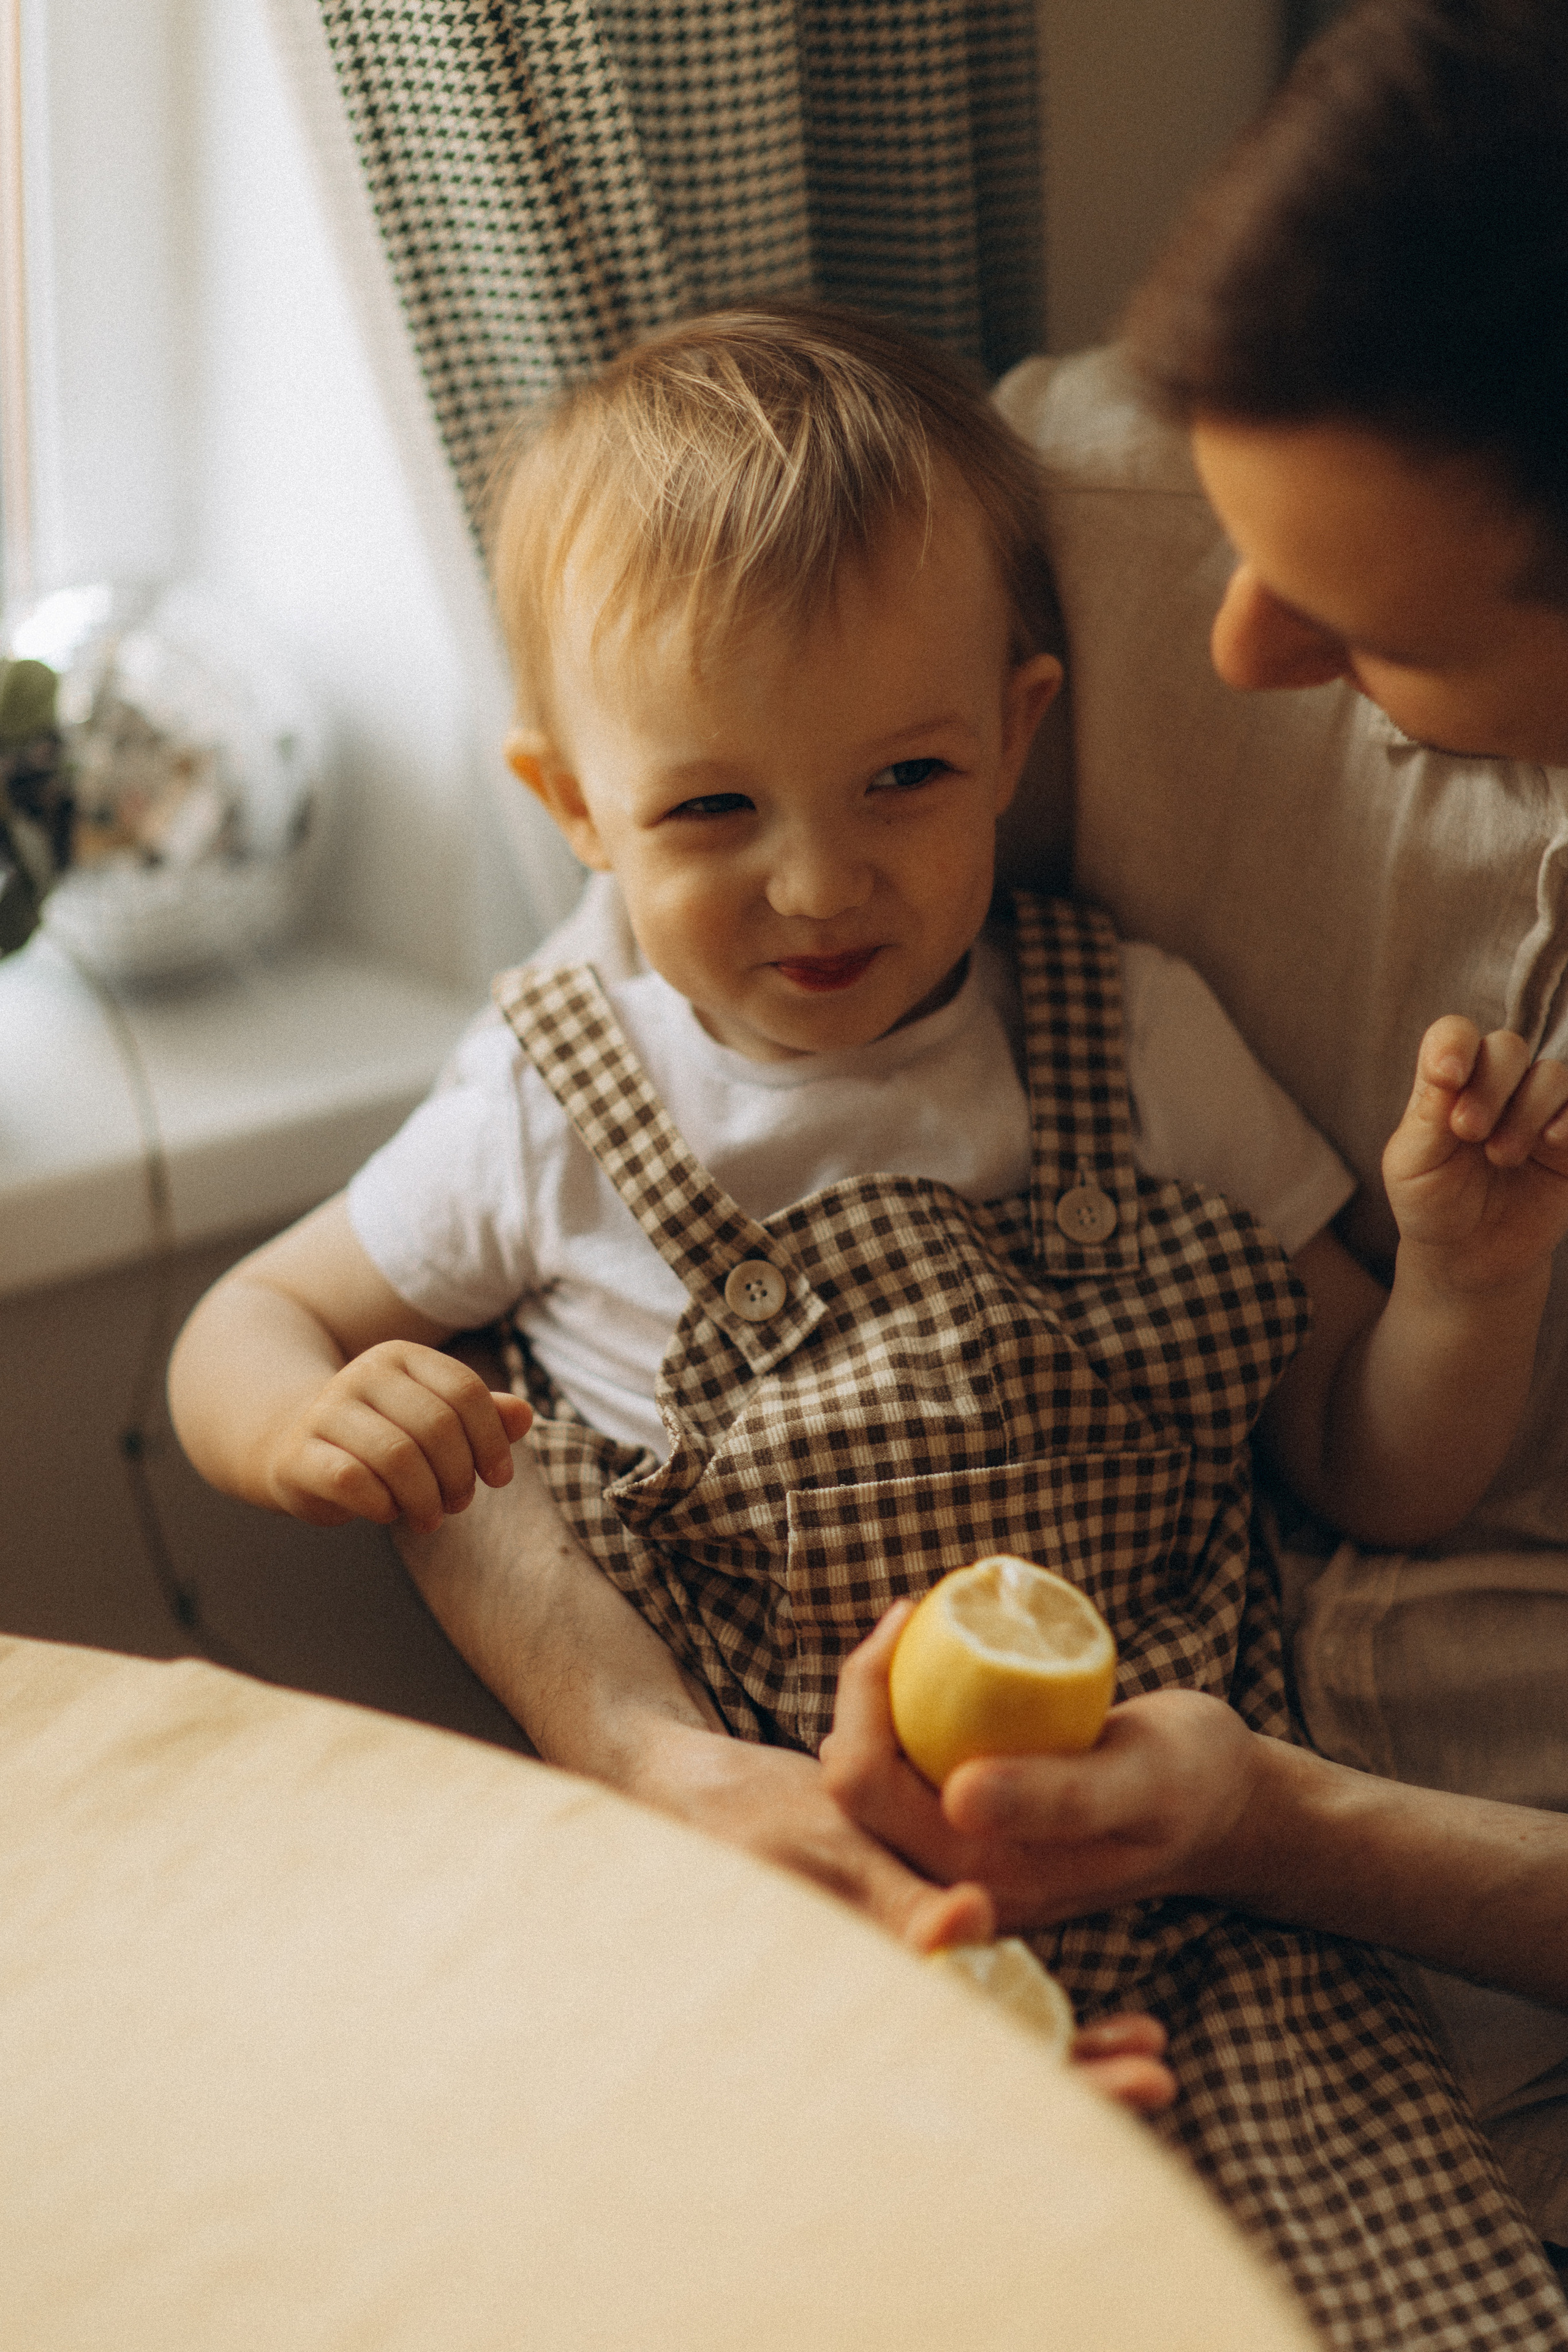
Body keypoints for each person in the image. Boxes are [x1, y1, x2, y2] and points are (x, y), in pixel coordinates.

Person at [167, 301, 1568, 2342]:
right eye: (710, 812)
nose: (819, 885)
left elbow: (1379, 1469)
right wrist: (305, 1418)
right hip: (771, 1892)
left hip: (1218, 1903)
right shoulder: (557, 1092)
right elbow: (248, 1318)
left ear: (1019, 732)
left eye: (905, 776)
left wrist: (1468, 1273)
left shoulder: (1132, 1031)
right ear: (574, 807)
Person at [823, 0, 1568, 2267]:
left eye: (1355, 626)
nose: (1232, 646)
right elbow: (633, 1053)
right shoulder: (1092, 515)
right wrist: (686, 1754)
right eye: (1228, 527)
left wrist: (1270, 1828)